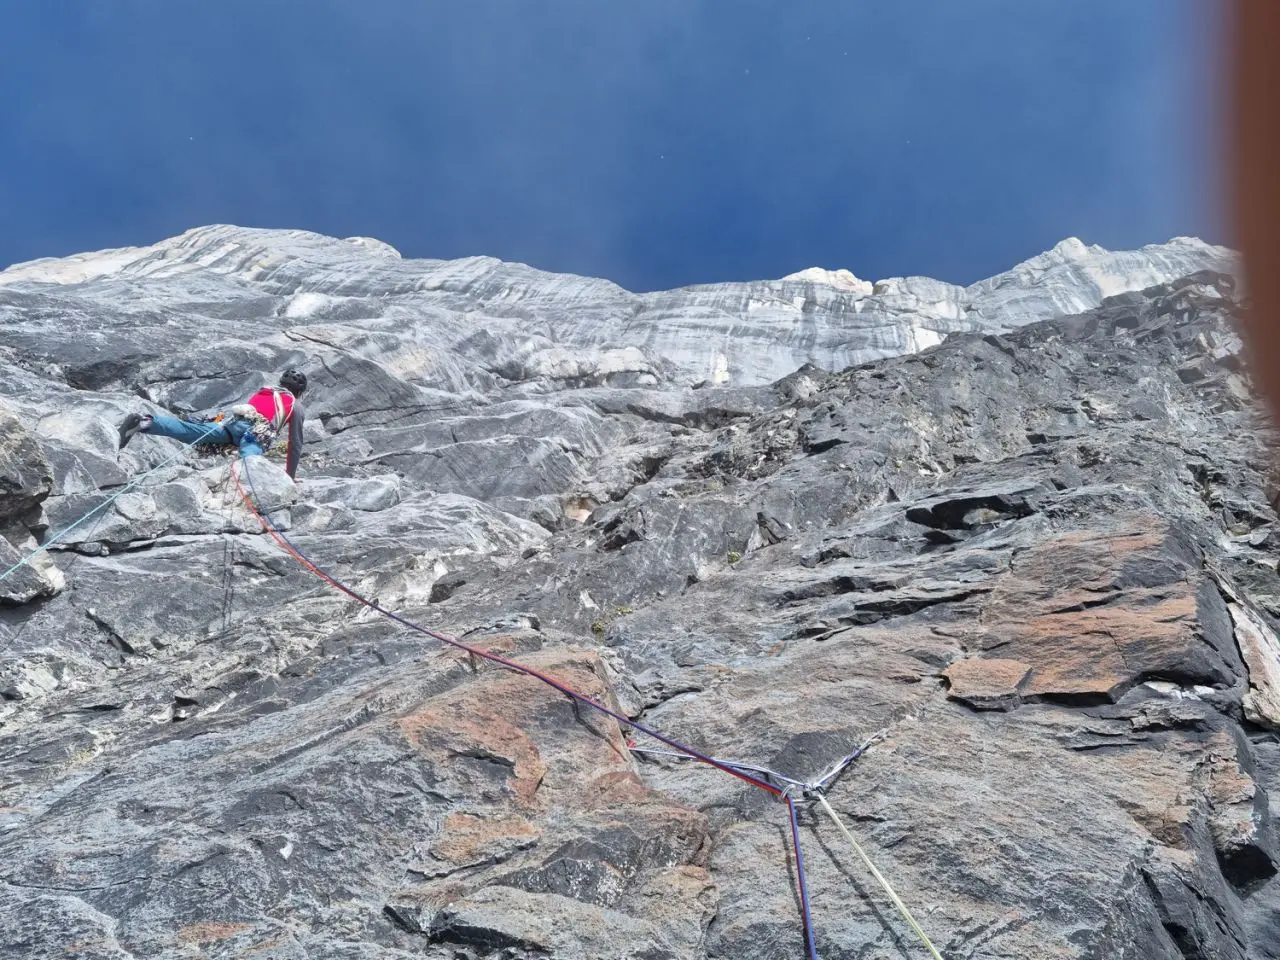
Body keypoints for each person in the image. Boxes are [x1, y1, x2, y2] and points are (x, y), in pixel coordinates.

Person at [117, 370, 308, 479]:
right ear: (299, 391)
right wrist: (289, 476)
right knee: (250, 460)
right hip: (255, 432)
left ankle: (145, 423)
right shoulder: (295, 405)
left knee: (193, 431)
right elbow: (295, 443)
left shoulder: (264, 391)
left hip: (233, 424)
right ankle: (247, 486)